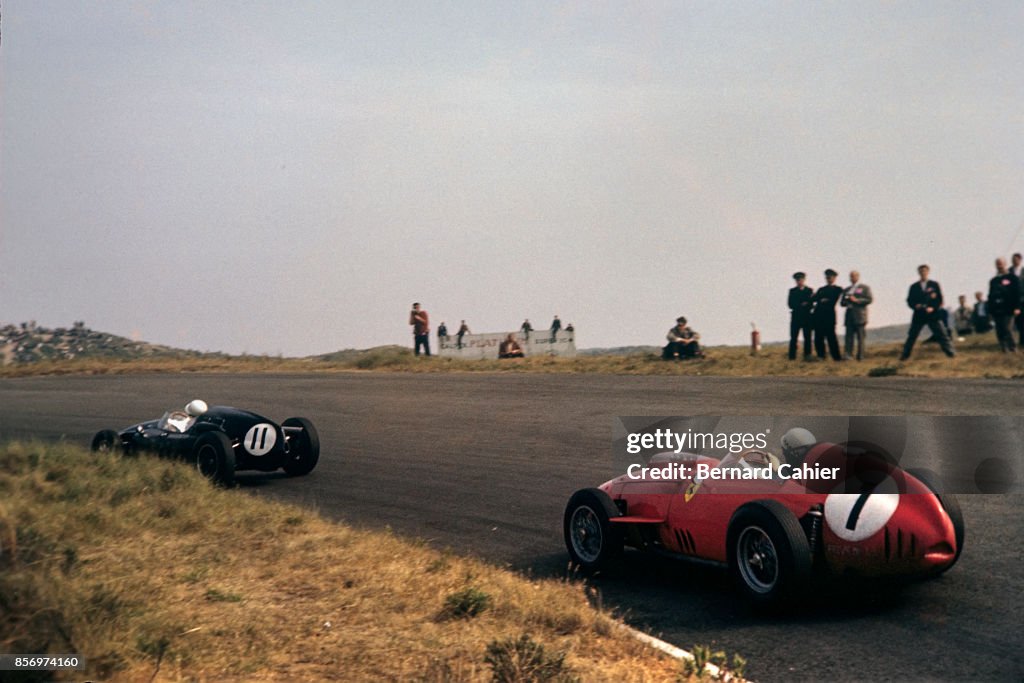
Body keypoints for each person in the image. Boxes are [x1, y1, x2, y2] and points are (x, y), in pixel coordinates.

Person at [900, 265, 955, 360]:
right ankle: (905, 355)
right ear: (918, 273)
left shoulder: (934, 285)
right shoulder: (914, 287)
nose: (923, 273)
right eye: (921, 271)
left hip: (932, 314)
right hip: (919, 314)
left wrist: (933, 308)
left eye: (925, 271)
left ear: (928, 272)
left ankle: (950, 353)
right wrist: (915, 306)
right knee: (912, 336)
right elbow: (909, 300)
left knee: (942, 334)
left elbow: (939, 299)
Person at [987, 258, 1022, 353]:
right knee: (1000, 330)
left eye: (1001, 264)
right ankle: (1004, 349)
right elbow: (990, 296)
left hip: (1009, 309)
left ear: (1005, 264)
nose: (999, 266)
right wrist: (990, 310)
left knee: (1008, 328)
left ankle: (1013, 348)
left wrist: (1018, 307)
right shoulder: (994, 280)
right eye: (997, 264)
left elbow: (1018, 293)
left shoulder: (1013, 278)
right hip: (997, 309)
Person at [811, 269, 843, 361]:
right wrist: (821, 299)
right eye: (827, 277)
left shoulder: (837, 289)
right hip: (818, 316)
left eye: (831, 277)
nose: (829, 279)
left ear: (834, 278)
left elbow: (832, 301)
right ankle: (821, 355)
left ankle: (836, 357)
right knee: (818, 337)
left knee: (831, 337)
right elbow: (814, 299)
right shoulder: (821, 289)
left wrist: (822, 300)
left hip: (829, 316)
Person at [840, 270, 873, 360]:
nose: (852, 278)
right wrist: (846, 301)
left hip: (859, 316)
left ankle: (861, 356)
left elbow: (869, 299)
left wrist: (857, 300)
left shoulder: (864, 288)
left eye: (854, 276)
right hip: (849, 315)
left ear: (858, 277)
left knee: (860, 337)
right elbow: (842, 303)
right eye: (851, 276)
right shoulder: (846, 289)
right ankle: (848, 355)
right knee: (848, 337)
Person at [787, 272, 814, 360]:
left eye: (801, 279)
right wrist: (802, 304)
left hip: (807, 317)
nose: (799, 281)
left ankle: (807, 355)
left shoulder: (809, 290)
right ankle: (792, 356)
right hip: (796, 317)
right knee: (794, 337)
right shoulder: (792, 291)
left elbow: (811, 304)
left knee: (807, 337)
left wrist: (802, 304)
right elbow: (790, 304)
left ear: (804, 280)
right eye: (797, 280)